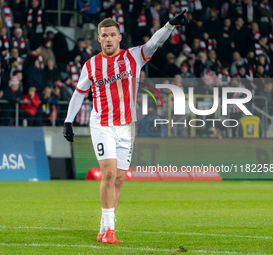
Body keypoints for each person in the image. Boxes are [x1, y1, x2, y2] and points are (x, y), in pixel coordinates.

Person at [62, 11, 188, 244]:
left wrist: (170, 25)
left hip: (126, 127)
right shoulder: (91, 65)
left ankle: (103, 228)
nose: (108, 39)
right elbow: (79, 93)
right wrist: (68, 120)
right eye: (104, 35)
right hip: (102, 125)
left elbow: (154, 42)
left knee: (119, 179)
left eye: (112, 34)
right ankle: (109, 230)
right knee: (108, 173)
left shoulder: (134, 56)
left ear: (119, 37)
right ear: (98, 39)